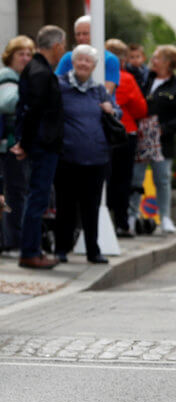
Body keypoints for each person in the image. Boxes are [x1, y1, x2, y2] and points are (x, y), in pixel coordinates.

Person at [54, 44, 118, 265]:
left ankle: (93, 250)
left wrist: (111, 110)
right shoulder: (60, 86)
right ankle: (61, 249)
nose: (83, 64)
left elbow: (115, 112)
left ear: (93, 66)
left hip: (96, 159)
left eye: (87, 61)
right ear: (73, 62)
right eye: (79, 60)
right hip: (67, 157)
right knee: (65, 206)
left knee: (91, 208)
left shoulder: (99, 90)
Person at [11, 25, 67, 269]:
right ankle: (30, 251)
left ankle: (32, 249)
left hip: (40, 143)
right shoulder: (40, 73)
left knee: (37, 197)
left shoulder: (35, 69)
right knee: (37, 198)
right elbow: (32, 112)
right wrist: (25, 142)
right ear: (56, 46)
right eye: (63, 46)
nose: (63, 51)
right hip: (43, 145)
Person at [128, 45, 176, 234]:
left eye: (157, 57)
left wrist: (166, 129)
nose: (153, 60)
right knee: (135, 177)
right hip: (141, 136)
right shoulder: (144, 79)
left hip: (162, 140)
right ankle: (131, 216)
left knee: (162, 179)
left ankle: (165, 216)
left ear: (167, 63)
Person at [105, 39, 147, 238]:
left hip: (101, 135)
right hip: (124, 133)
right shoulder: (127, 79)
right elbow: (141, 109)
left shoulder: (96, 76)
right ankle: (121, 223)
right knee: (122, 180)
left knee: (105, 179)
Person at [0, 35, 35, 257]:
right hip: (9, 147)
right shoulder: (8, 77)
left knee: (15, 192)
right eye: (20, 53)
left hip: (13, 145)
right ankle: (12, 241)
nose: (25, 58)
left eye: (29, 54)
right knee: (14, 194)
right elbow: (7, 102)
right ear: (10, 57)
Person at [54, 16, 120, 95]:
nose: (81, 37)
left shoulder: (110, 59)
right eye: (78, 34)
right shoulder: (68, 57)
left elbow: (107, 93)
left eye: (85, 34)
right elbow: (55, 85)